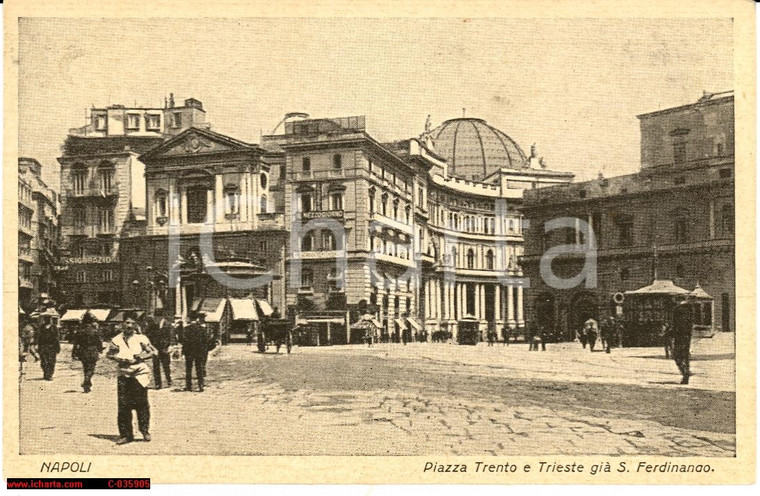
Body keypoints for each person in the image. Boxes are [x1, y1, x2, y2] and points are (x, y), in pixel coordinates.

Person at [107, 312, 157, 445]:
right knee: (123, 405)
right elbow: (109, 355)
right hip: (123, 372)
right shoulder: (116, 339)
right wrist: (117, 357)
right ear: (122, 324)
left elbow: (153, 352)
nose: (130, 326)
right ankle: (126, 435)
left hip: (139, 373)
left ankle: (145, 430)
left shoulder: (141, 338)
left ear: (136, 325)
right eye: (127, 323)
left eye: (132, 323)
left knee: (142, 404)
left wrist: (140, 357)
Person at [182, 312, 218, 392]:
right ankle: (200, 386)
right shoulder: (202, 329)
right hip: (199, 351)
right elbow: (206, 341)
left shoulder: (186, 329)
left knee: (188, 369)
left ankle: (188, 386)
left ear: (189, 318)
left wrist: (183, 352)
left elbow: (184, 341)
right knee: (200, 369)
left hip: (189, 352)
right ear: (197, 318)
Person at [71, 312, 104, 393]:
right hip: (93, 351)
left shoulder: (79, 331)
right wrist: (100, 349)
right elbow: (99, 342)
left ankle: (87, 384)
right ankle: (87, 381)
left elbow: (75, 344)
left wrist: (74, 353)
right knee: (91, 368)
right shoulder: (95, 331)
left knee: (85, 368)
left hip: (83, 351)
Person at [146, 316, 173, 389]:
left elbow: (171, 336)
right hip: (156, 348)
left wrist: (170, 346)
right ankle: (158, 384)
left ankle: (169, 380)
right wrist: (152, 346)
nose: (156, 319)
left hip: (165, 348)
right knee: (156, 366)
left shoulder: (167, 324)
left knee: (166, 365)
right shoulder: (152, 325)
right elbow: (148, 335)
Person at [672, 299, 693, 385]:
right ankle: (686, 373)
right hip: (687, 337)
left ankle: (685, 373)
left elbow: (678, 326)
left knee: (677, 355)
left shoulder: (679, 311)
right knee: (685, 356)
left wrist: (671, 332)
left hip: (680, 337)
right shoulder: (689, 311)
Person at [37, 310, 61, 381]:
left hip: (52, 347)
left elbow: (57, 338)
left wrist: (57, 347)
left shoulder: (54, 328)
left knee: (51, 361)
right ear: (44, 320)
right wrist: (39, 347)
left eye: (49, 319)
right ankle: (45, 373)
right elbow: (39, 338)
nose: (48, 320)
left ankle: (49, 374)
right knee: (44, 361)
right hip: (43, 347)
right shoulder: (42, 327)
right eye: (46, 319)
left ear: (51, 320)